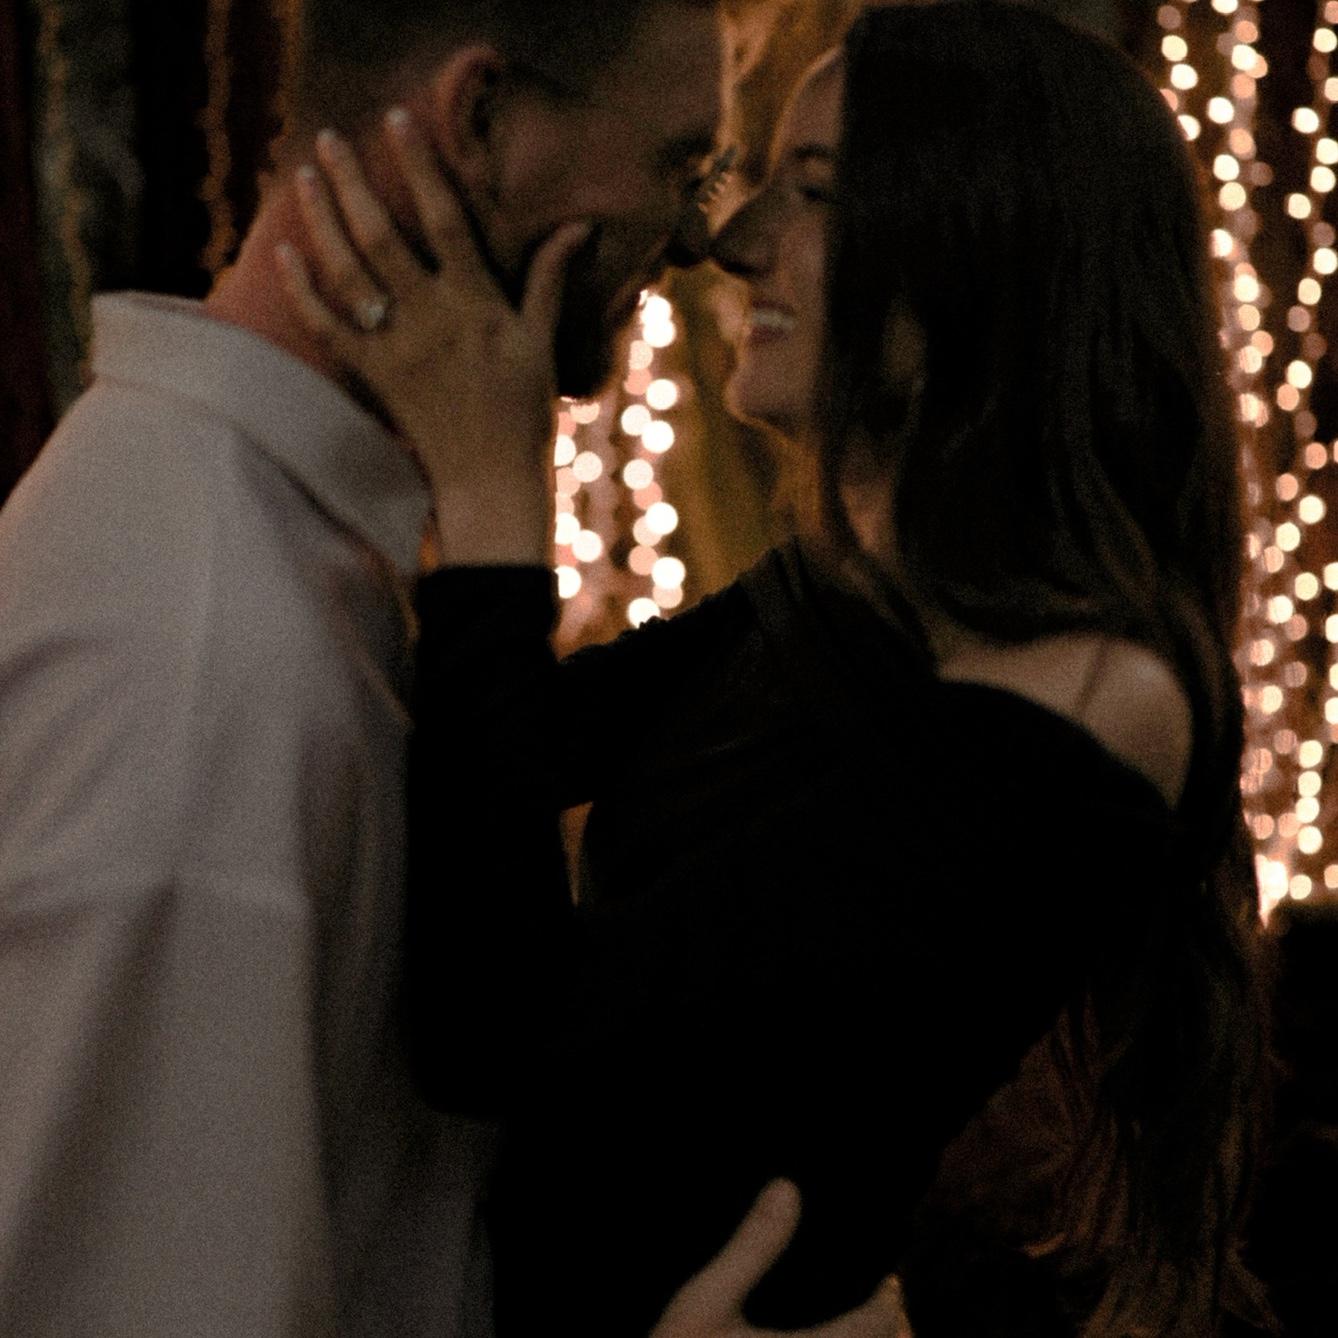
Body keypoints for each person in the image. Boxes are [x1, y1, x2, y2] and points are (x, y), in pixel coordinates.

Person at [281, 3, 1273, 1335]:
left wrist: (495, 502)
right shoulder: (845, 600)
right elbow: (487, 752)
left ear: (985, 244)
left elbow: (496, 1030)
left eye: (812, 191)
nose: (734, 243)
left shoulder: (1093, 702)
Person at [0, 2, 914, 1335]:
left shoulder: (284, 555)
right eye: (678, 163)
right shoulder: (203, 660)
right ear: (480, 119)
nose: (699, 237)